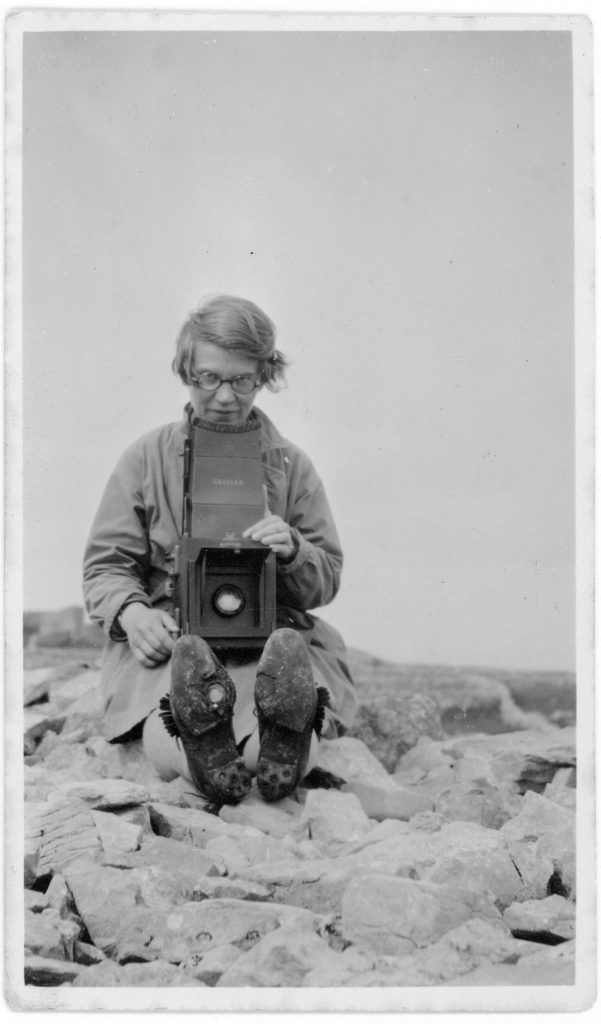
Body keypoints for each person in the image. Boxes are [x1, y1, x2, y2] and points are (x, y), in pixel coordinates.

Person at [83, 294, 356, 806]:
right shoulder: (144, 459)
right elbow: (106, 565)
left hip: (271, 640)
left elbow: (327, 577)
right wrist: (133, 612)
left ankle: (279, 744)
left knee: (276, 728)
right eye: (209, 377)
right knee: (170, 716)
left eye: (241, 380)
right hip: (174, 644)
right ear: (185, 371)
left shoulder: (292, 466)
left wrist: (294, 551)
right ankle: (201, 747)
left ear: (264, 375)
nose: (225, 395)